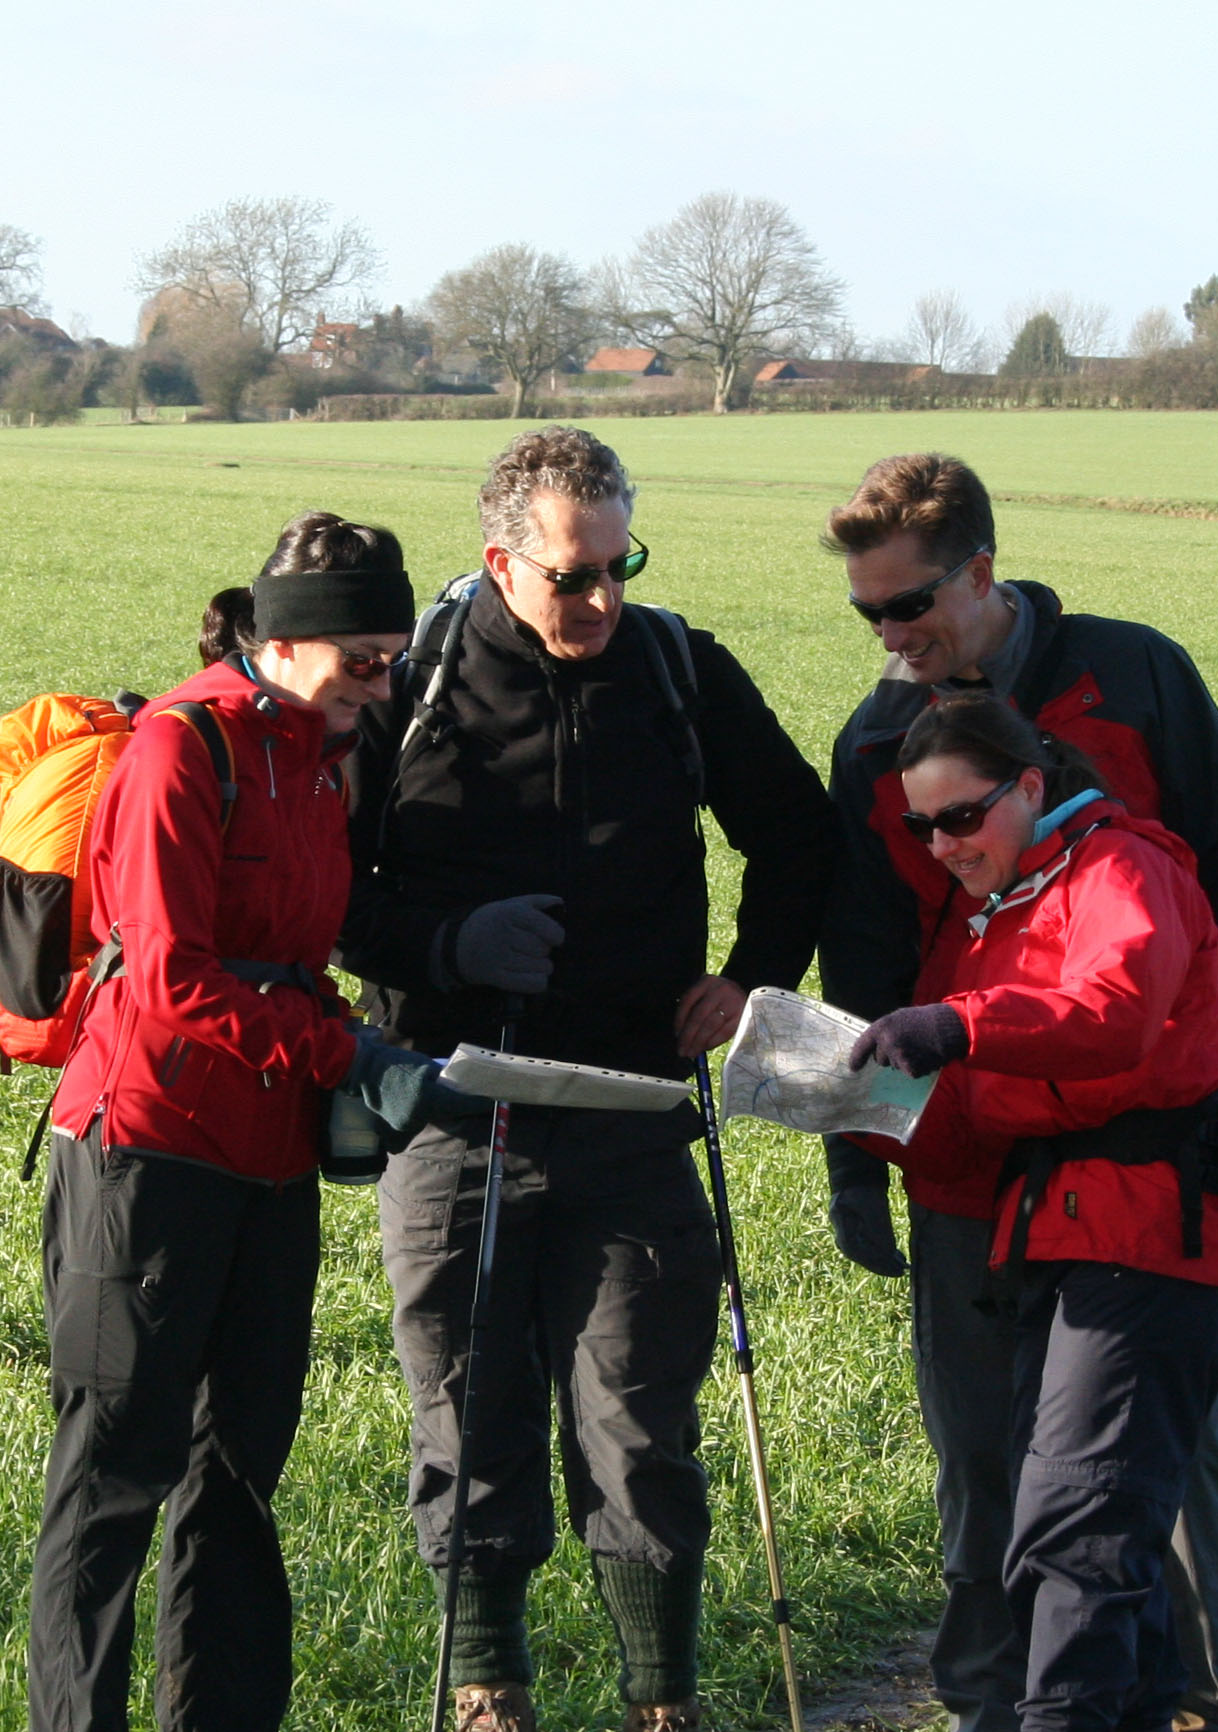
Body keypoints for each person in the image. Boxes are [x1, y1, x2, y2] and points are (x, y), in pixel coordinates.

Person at [338, 425, 835, 1732]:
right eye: (573, 577)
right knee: (464, 1414)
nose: (603, 599)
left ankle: (658, 1703)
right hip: (453, 1110)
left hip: (631, 1118)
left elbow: (796, 833)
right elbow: (318, 885)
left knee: (636, 1428)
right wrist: (441, 944)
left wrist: (748, 979)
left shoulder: (676, 667)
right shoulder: (418, 680)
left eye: (621, 565)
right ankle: (485, 1693)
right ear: (500, 562)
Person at [817, 454, 1218, 1732]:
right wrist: (853, 1154)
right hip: (967, 1159)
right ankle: (1003, 1705)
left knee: (1159, 1464)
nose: (893, 635)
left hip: (1156, 1159)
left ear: (982, 570)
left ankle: (1197, 1707)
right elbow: (868, 966)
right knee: (990, 1465)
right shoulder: (878, 738)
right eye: (869, 613)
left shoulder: (1135, 676)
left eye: (912, 604)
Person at [27, 511, 467, 1732]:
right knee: (115, 1478)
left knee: (239, 1482)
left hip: (267, 1161)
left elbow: (288, 958)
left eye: (395, 658)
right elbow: (170, 976)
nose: (382, 688)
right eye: (363, 661)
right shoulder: (182, 750)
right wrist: (348, 1051)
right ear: (283, 642)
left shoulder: (317, 757)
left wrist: (356, 1047)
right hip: (147, 1149)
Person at [847, 694, 1218, 1732]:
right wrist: (856, 1119)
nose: (942, 845)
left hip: (1149, 1244)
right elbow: (985, 1111)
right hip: (1067, 1244)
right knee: (1092, 1539)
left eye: (962, 816)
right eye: (920, 827)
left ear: (1032, 786)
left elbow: (1112, 1013)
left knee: (1074, 1536)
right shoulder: (1011, 903)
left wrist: (957, 1022)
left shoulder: (1124, 868)